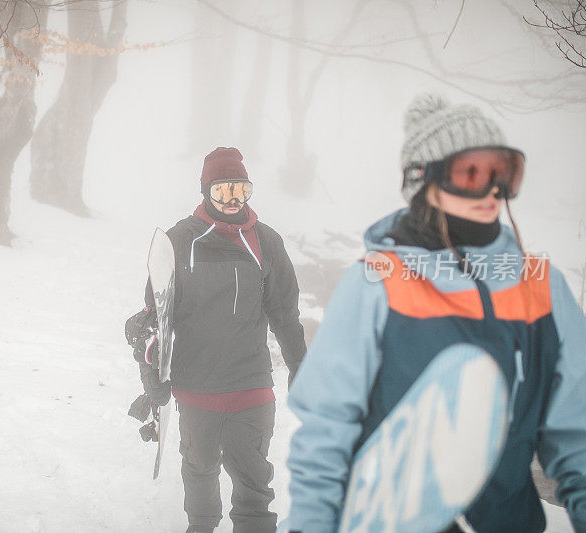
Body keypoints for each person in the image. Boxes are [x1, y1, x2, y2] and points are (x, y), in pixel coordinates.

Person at [285, 94, 586, 533]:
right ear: (423, 180)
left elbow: (577, 431)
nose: (493, 190)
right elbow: (326, 430)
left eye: (503, 172)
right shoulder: (376, 283)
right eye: (472, 172)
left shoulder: (543, 286)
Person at [139, 147, 307, 533]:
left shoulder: (266, 241)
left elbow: (285, 313)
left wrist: (300, 365)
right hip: (196, 383)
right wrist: (151, 370)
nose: (233, 200)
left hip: (251, 383)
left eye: (241, 190)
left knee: (253, 481)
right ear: (204, 191)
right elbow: (155, 318)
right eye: (222, 191)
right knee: (200, 469)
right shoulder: (181, 239)